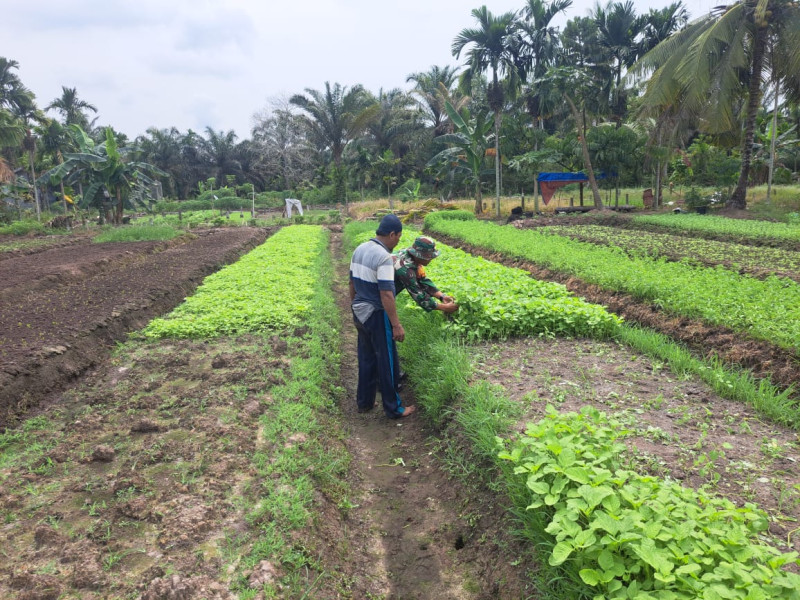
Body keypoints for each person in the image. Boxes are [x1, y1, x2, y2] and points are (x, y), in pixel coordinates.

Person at [349, 214, 416, 418]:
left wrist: (353, 307)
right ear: (392, 234)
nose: (398, 242)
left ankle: (364, 402)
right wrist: (396, 325)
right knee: (386, 361)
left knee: (366, 358)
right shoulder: (384, 257)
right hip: (376, 314)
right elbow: (386, 294)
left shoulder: (360, 249)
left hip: (359, 311)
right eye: (398, 237)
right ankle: (394, 408)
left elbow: (351, 283)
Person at [394, 236, 459, 316]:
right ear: (419, 256)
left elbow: (422, 280)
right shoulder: (405, 269)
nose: (431, 259)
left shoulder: (413, 259)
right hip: (377, 296)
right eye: (429, 257)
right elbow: (418, 294)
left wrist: (442, 297)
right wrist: (444, 307)